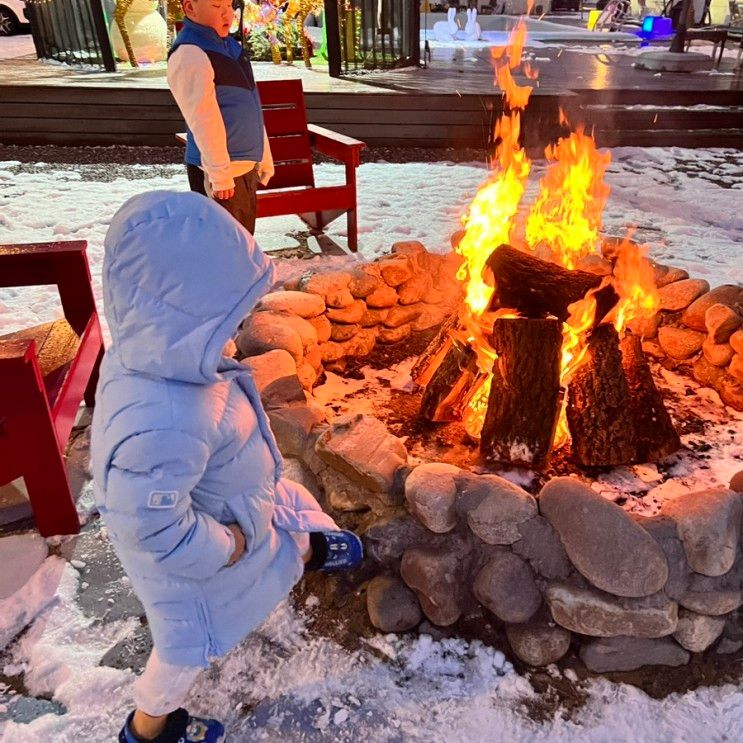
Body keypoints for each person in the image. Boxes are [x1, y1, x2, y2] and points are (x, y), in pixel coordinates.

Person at [91, 191, 362, 743]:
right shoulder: (164, 418)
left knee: (289, 514)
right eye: (227, 313)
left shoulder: (163, 359)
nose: (242, 322)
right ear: (185, 313)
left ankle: (308, 550)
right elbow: (152, 529)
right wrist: (226, 546)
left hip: (240, 495)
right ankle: (149, 730)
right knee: (181, 656)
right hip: (196, 564)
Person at [167, 0, 273, 234]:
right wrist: (220, 175)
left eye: (229, 5)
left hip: (242, 165)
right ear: (190, 8)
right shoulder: (190, 53)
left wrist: (263, 154)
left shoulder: (230, 48)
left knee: (243, 240)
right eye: (216, 6)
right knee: (225, 245)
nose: (227, 14)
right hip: (221, 172)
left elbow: (250, 106)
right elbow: (203, 118)